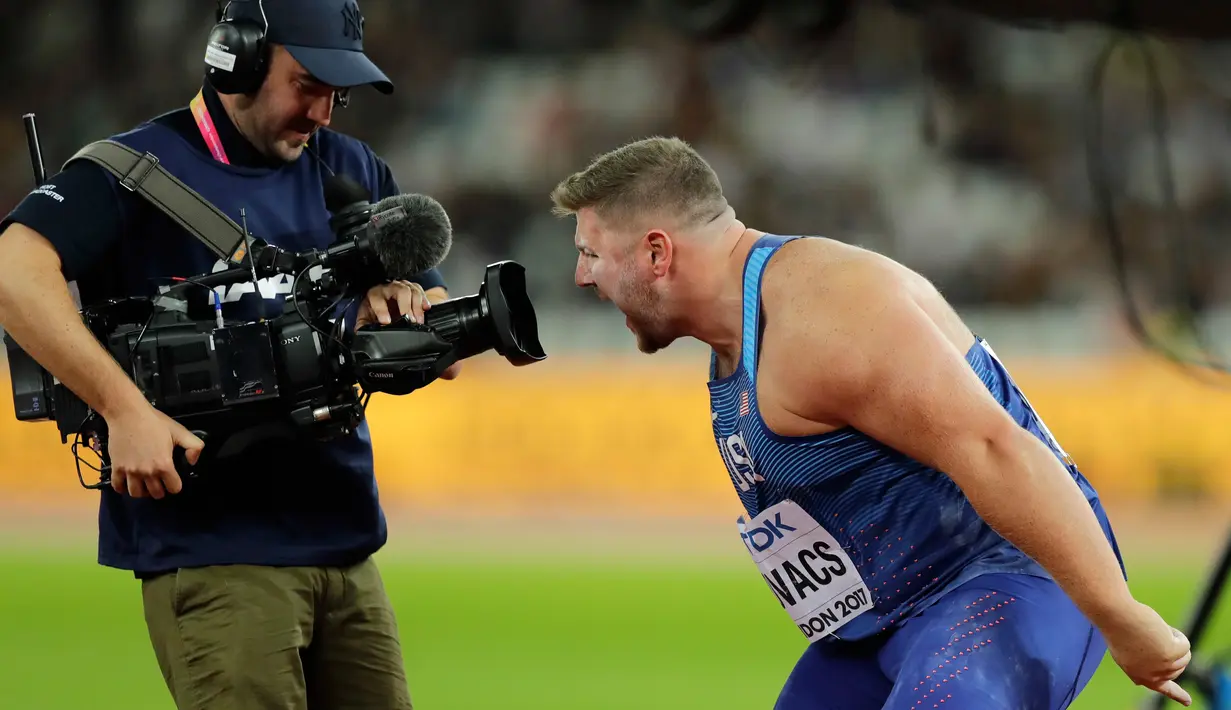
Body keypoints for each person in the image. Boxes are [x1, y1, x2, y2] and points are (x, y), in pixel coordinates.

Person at [549, 136, 1193, 709]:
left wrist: (1118, 616)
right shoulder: (738, 336)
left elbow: (997, 448)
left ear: (657, 252)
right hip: (882, 623)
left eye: (591, 254)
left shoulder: (823, 315)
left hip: (1006, 583)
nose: (581, 277)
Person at [0, 1, 457, 708]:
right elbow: (12, 270)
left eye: (338, 93)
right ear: (236, 60)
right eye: (308, 84)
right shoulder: (132, 170)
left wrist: (401, 307)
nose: (325, 114)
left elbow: (441, 346)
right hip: (215, 555)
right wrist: (122, 409)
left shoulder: (349, 167)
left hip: (346, 549)